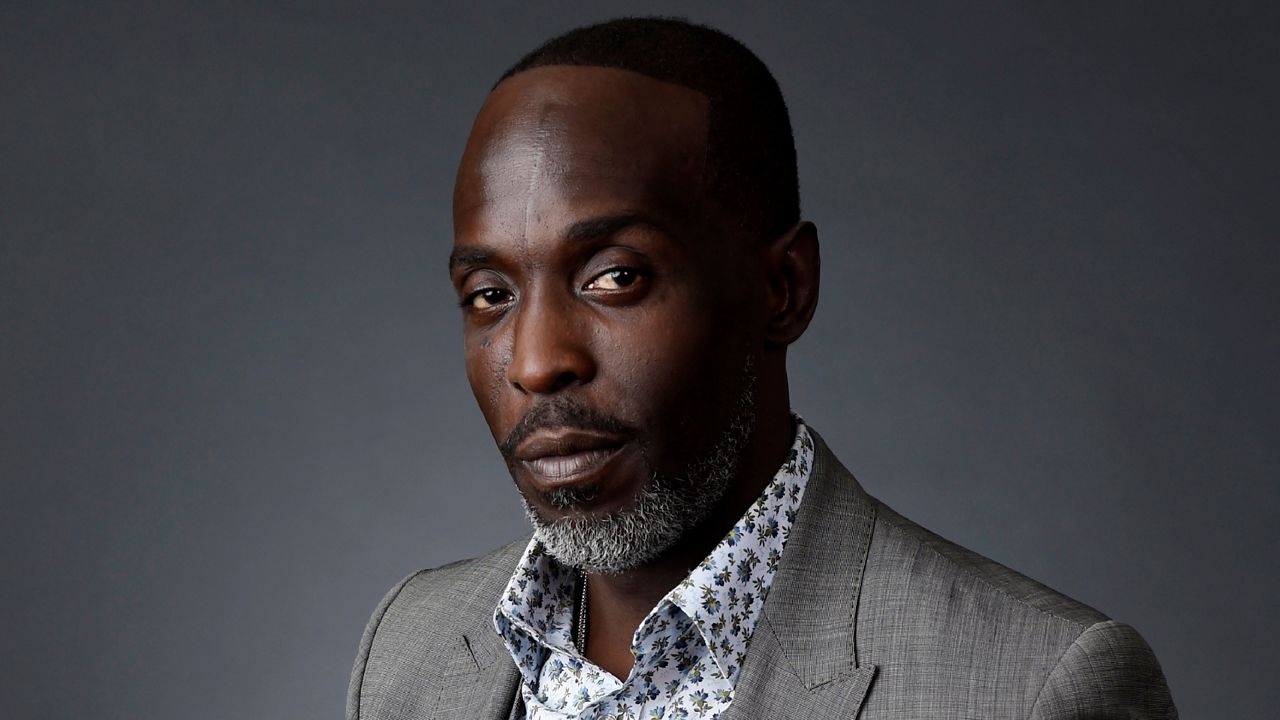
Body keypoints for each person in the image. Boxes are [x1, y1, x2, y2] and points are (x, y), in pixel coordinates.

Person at [347, 17, 1177, 720]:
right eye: (489, 294)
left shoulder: (1034, 688)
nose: (535, 362)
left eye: (615, 277)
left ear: (782, 289)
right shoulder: (406, 650)